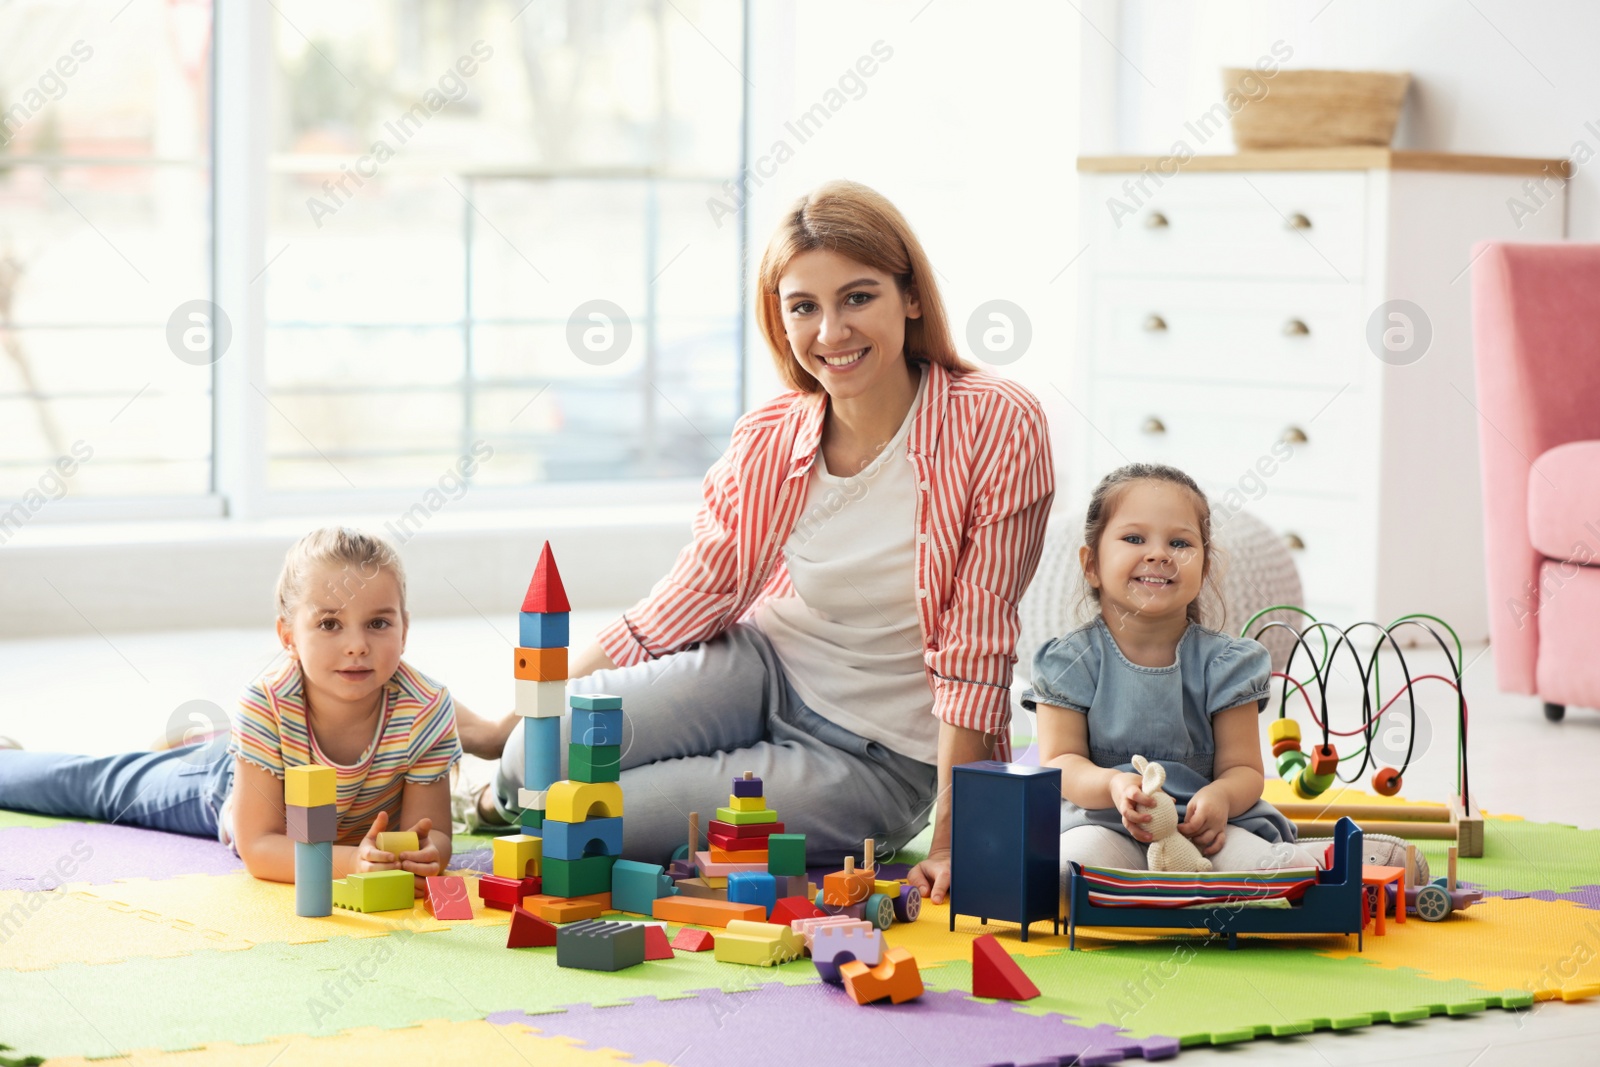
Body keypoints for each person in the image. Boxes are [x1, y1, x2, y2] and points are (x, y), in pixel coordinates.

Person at [456, 180, 1054, 902]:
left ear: (912, 297)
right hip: (758, 668)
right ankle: (501, 790)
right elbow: (678, 604)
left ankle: (514, 811)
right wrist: (505, 723)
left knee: (587, 819)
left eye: (858, 297)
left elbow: (976, 653)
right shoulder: (772, 435)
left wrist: (955, 845)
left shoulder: (998, 425)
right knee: (532, 757)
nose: (831, 332)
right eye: (805, 306)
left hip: (875, 759)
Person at [0, 528, 460, 894]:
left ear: (405, 630)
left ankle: (205, 741)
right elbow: (259, 848)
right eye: (329, 624)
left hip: (301, 795)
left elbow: (433, 834)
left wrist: (426, 855)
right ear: (287, 637)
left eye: (378, 623)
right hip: (227, 789)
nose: (357, 645)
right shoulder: (266, 701)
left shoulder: (426, 709)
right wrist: (352, 864)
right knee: (100, 785)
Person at [1023, 463, 1321, 881]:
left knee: (1293, 877)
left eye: (1179, 543)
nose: (1159, 554)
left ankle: (1327, 859)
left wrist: (1219, 798)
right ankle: (1183, 896)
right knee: (1059, 878)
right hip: (1105, 825)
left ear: (1204, 567)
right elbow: (1061, 762)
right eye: (1133, 538)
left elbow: (1245, 771)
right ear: (1091, 564)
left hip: (1211, 833)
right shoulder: (1069, 661)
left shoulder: (1226, 664)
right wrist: (1113, 786)